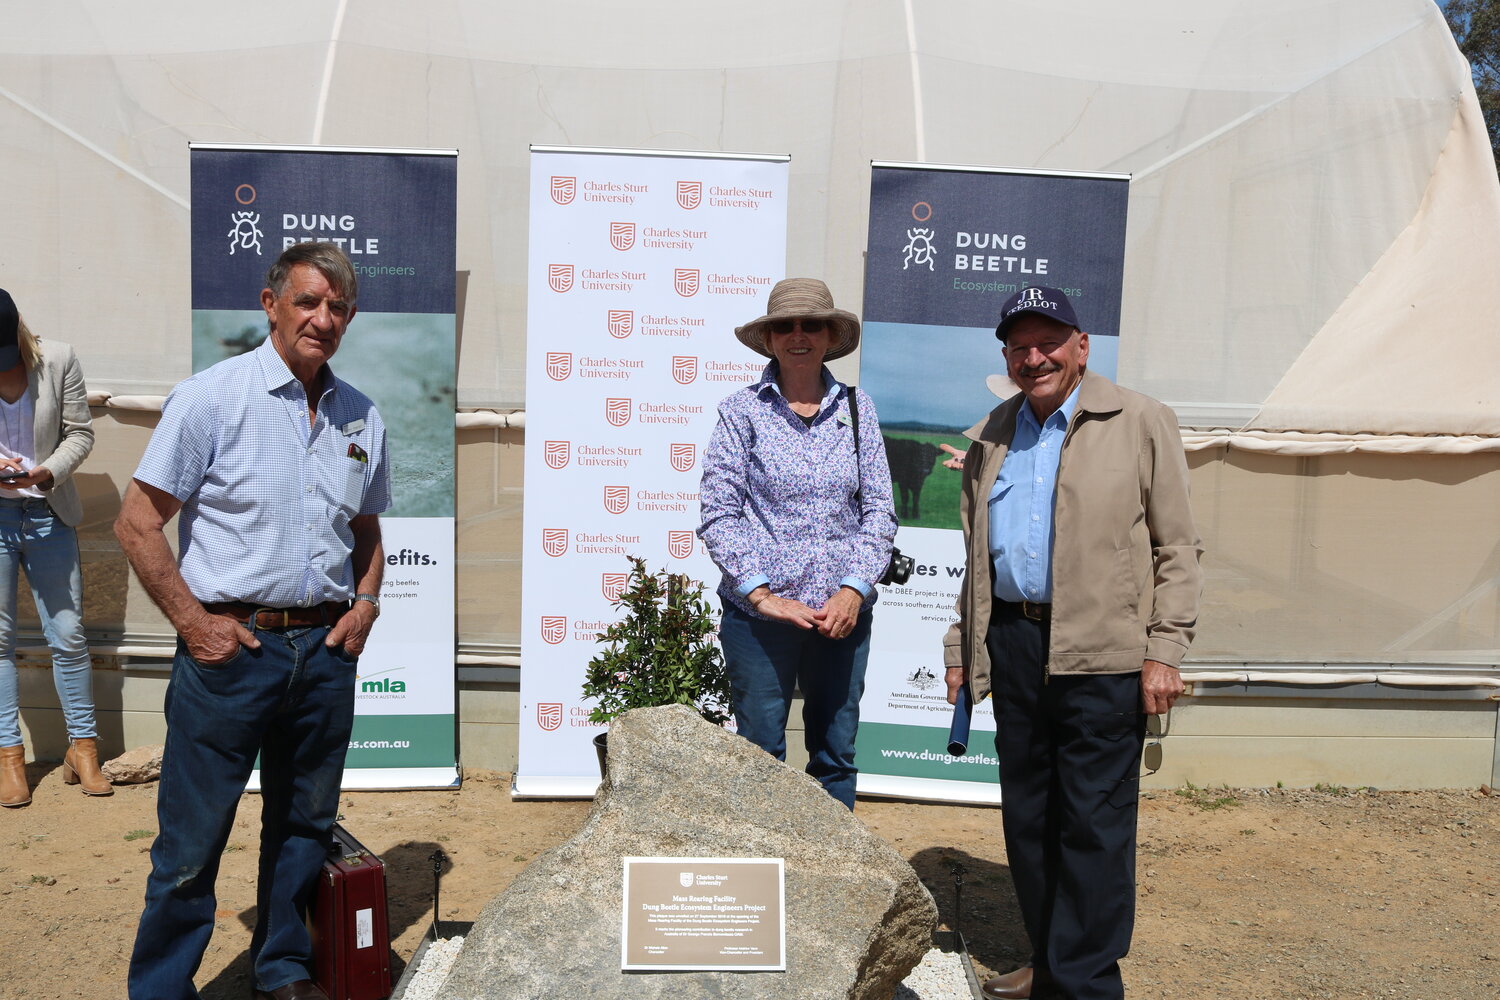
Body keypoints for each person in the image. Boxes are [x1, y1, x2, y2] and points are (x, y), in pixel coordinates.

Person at [117, 243, 389, 1000]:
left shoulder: (361, 413)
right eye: (308, 302)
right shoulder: (212, 397)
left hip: (325, 652)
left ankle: (282, 969)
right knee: (189, 847)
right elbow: (137, 524)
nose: (323, 319)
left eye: (337, 308)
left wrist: (365, 603)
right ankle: (163, 988)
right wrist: (195, 625)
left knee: (304, 827)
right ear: (271, 305)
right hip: (231, 654)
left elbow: (365, 530)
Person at [943, 286, 1202, 1000]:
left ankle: (1084, 984)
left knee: (1093, 827)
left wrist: (1165, 648)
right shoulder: (993, 433)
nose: (1035, 357)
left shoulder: (1140, 420)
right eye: (1020, 346)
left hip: (1104, 654)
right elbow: (978, 557)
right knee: (1028, 821)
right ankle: (1051, 962)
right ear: (1006, 356)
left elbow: (1178, 547)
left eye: (1049, 342)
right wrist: (963, 647)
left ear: (1081, 346)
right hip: (1015, 647)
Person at [698, 278, 896, 809]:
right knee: (760, 754)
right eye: (785, 325)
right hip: (761, 621)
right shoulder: (740, 412)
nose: (798, 335)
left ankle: (836, 879)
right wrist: (763, 596)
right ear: (769, 338)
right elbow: (719, 513)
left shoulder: (860, 410)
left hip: (842, 616)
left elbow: (879, 512)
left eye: (811, 324)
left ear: (831, 334)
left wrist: (853, 591)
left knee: (835, 754)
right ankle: (763, 878)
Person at [0, 288, 105, 807]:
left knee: (67, 633)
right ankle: (9, 756)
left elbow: (80, 434)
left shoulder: (58, 357)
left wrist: (49, 470)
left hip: (48, 512)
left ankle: (83, 749)